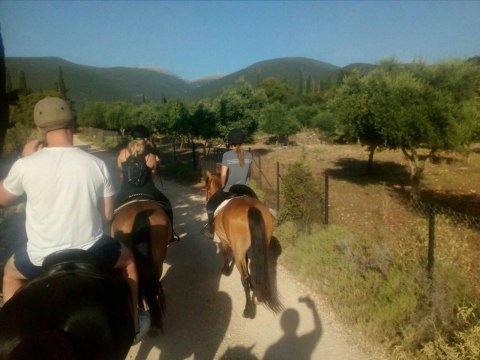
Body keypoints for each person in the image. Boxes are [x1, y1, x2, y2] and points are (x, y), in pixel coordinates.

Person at [0, 97, 149, 344]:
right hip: (91, 251)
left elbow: (3, 198)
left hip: (39, 257)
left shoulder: (25, 165)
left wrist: (22, 158)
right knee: (130, 261)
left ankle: (8, 331)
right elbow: (107, 216)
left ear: (39, 130)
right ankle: (134, 325)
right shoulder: (97, 164)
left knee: (9, 274)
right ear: (72, 124)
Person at [114, 125, 178, 243]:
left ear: (132, 139)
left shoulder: (122, 154)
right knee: (167, 205)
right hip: (148, 191)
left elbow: (121, 174)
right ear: (146, 140)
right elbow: (152, 176)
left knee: (111, 212)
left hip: (126, 191)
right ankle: (171, 235)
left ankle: (111, 237)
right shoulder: (151, 156)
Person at [202, 128, 257, 238]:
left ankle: (210, 228)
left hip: (231, 189)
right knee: (258, 205)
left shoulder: (227, 156)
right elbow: (249, 175)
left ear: (230, 142)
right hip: (246, 189)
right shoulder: (249, 156)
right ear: (241, 142)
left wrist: (223, 187)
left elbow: (223, 176)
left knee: (210, 206)